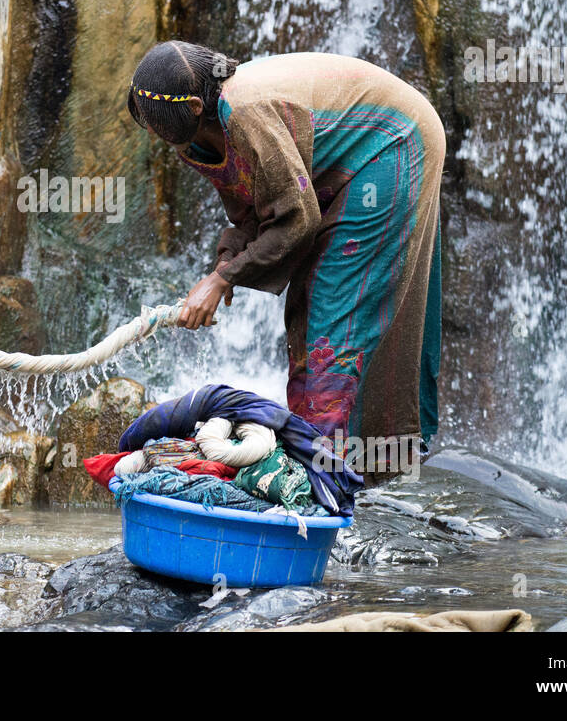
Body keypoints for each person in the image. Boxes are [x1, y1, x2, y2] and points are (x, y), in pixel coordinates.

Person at [126, 43, 444, 480]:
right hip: (338, 164)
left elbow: (296, 220)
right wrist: (224, 266)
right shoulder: (204, 131)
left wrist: (221, 280)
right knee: (304, 312)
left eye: (157, 124)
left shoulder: (246, 112)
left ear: (195, 106)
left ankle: (320, 478)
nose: (153, 132)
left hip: (391, 141)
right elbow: (254, 214)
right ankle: (327, 456)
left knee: (331, 311)